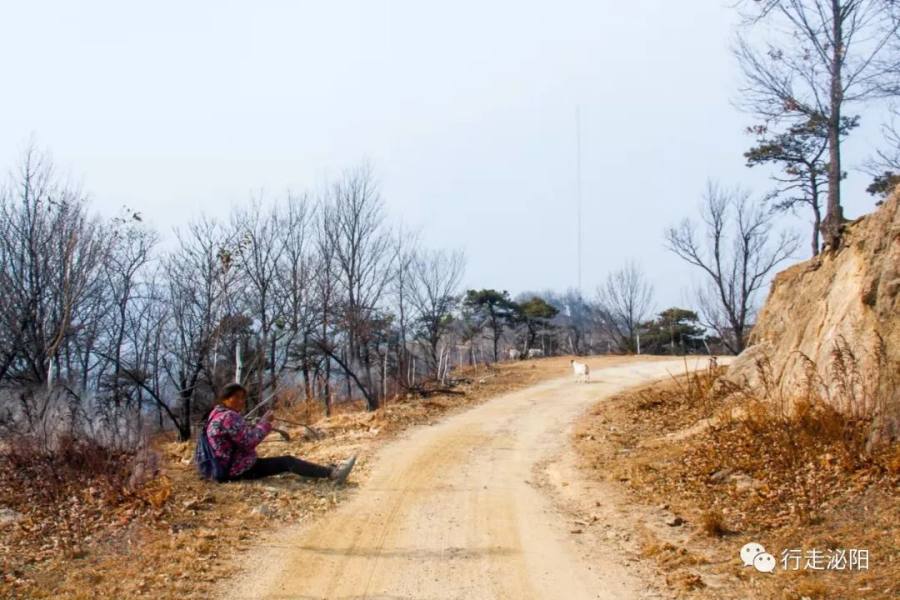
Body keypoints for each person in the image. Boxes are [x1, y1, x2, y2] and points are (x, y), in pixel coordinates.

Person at [205, 383, 356, 483]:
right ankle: (333, 474)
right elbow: (249, 442)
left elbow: (239, 438)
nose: (241, 401)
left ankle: (319, 471)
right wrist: (265, 424)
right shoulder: (229, 417)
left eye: (243, 398)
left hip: (222, 467)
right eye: (236, 397)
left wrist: (258, 424)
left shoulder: (215, 415)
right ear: (225, 399)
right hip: (236, 470)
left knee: (282, 465)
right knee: (287, 462)